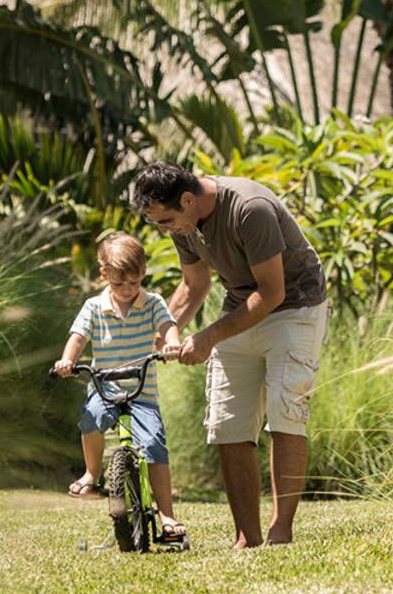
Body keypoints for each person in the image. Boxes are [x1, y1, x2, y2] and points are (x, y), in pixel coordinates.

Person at [129, 162, 328, 548]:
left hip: (296, 305)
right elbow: (193, 284)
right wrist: (163, 333)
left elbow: (272, 293)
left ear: (188, 200)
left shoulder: (248, 208)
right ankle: (247, 538)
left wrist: (208, 337)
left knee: (285, 412)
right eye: (158, 224)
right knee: (228, 423)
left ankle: (280, 531)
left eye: (166, 221)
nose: (164, 231)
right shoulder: (184, 221)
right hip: (241, 306)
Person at [52, 232, 185, 543]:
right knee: (90, 418)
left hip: (143, 394)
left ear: (142, 274)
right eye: (119, 283)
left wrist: (172, 344)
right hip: (105, 389)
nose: (127, 290)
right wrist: (67, 360)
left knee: (153, 445)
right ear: (104, 275)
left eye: (134, 283)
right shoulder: (94, 306)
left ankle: (167, 514)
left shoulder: (153, 303)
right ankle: (91, 473)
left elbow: (168, 326)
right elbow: (78, 337)